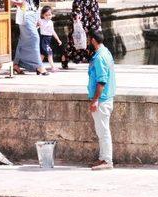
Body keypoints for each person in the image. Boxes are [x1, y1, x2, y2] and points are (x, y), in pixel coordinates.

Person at [87, 30, 116, 171]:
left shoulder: (99, 57)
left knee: (103, 131)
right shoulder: (106, 52)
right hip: (106, 98)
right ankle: (102, 158)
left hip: (102, 100)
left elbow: (102, 81)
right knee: (101, 131)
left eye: (88, 39)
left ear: (93, 40)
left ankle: (107, 160)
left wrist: (95, 100)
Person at [11, 0, 48, 75]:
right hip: (25, 15)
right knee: (35, 38)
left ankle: (16, 64)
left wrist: (38, 18)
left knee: (23, 40)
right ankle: (39, 66)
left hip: (34, 14)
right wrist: (18, 3)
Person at [61, 0, 101, 69]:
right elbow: (76, 9)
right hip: (82, 20)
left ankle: (94, 61)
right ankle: (65, 58)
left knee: (92, 39)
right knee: (76, 41)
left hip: (91, 16)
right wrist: (77, 18)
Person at [38, 6, 62, 72]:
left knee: (42, 54)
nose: (48, 16)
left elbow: (52, 31)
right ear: (43, 15)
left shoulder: (51, 22)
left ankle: (38, 67)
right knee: (49, 53)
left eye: (50, 15)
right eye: (46, 15)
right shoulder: (41, 21)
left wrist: (58, 39)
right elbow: (36, 26)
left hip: (48, 39)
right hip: (43, 39)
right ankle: (53, 67)